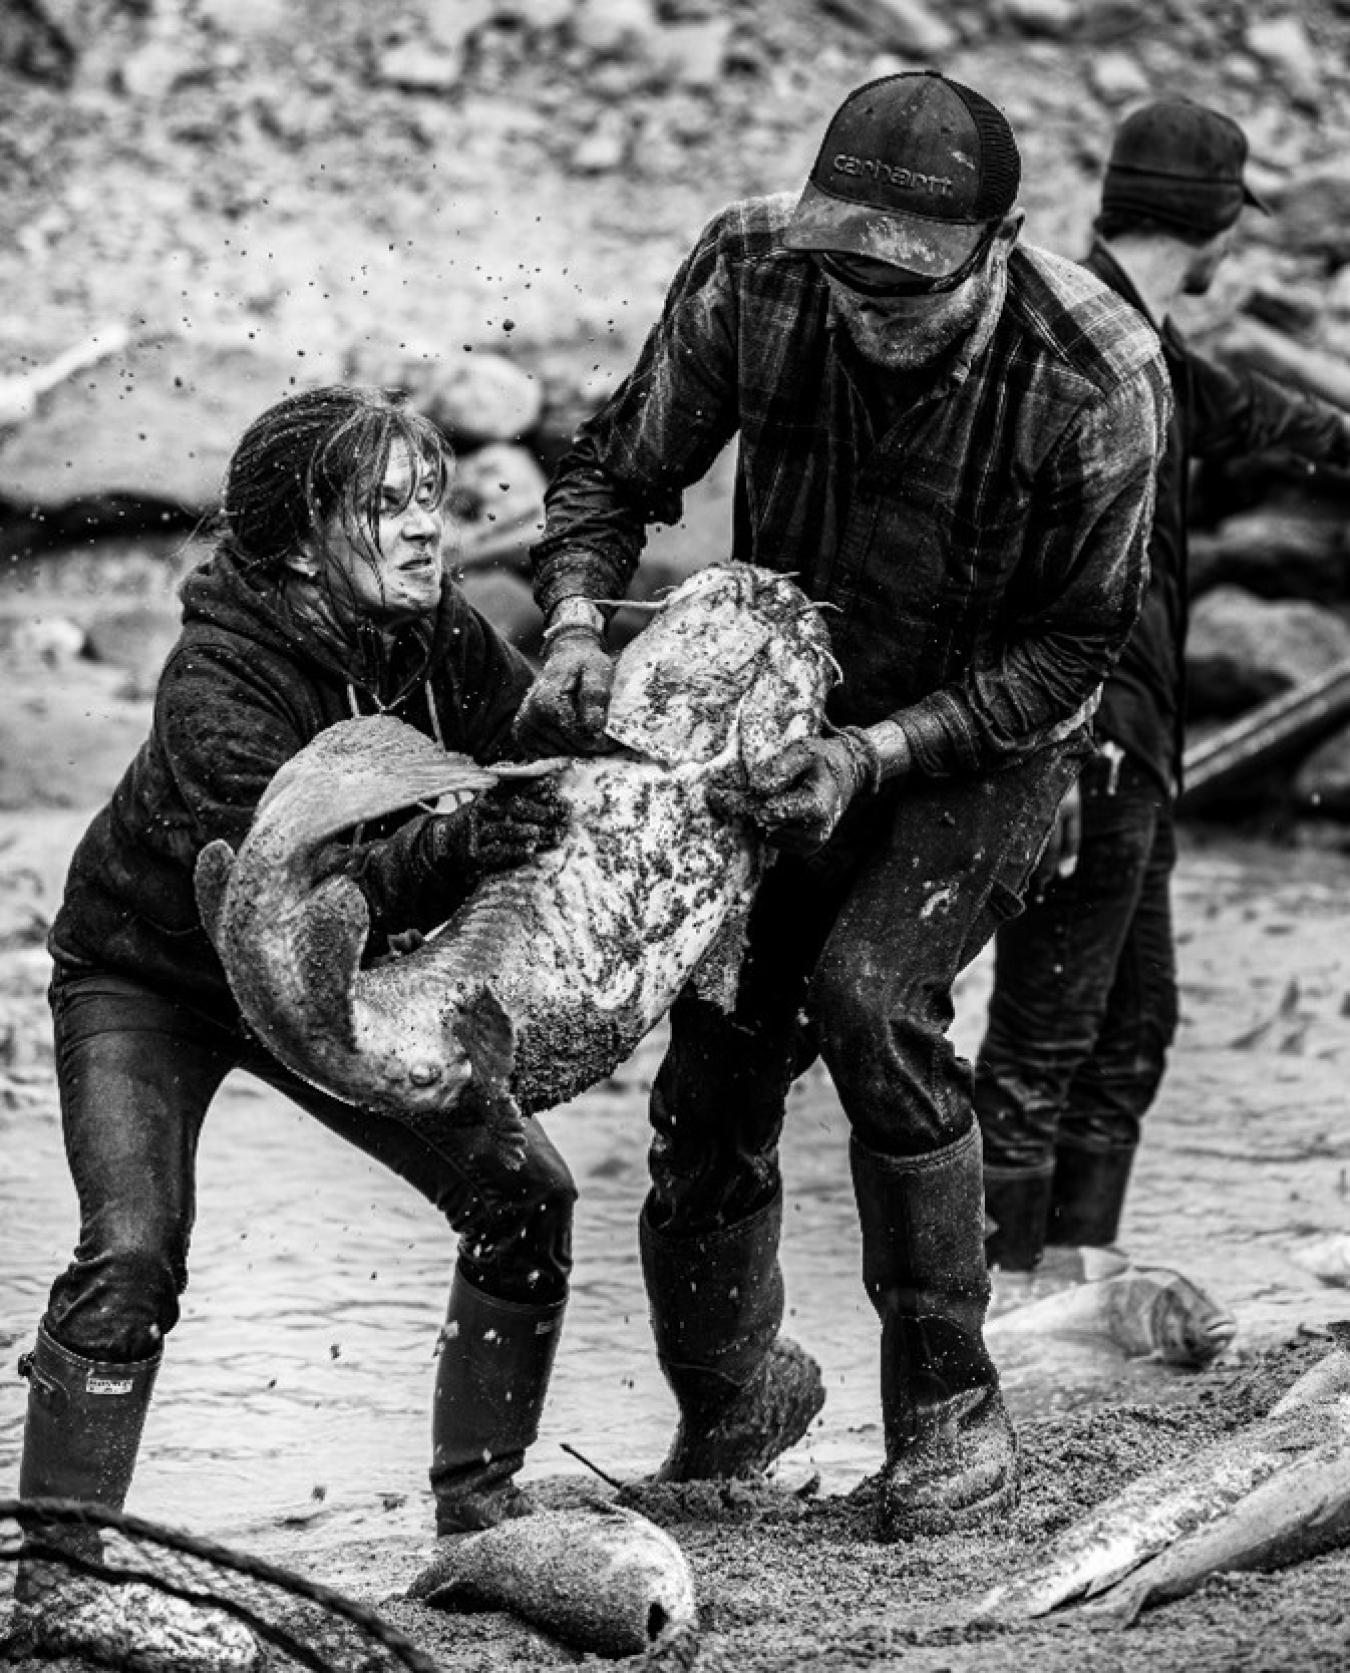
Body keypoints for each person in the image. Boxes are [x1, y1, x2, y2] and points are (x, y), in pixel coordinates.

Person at [512, 70, 1172, 1541]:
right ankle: (733, 1400)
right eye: (845, 270)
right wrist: (570, 624)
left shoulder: (1098, 375)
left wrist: (874, 757)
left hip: (985, 739)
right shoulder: (755, 268)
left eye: (907, 287)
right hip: (778, 714)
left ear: (999, 245)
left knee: (873, 1002)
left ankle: (948, 1415)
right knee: (713, 1063)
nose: (867, 306)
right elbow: (612, 474)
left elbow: (1074, 650)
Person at [8, 385, 571, 1663]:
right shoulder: (217, 678)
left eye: (433, 501)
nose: (431, 531)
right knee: (136, 1252)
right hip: (153, 975)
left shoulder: (432, 631)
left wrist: (612, 687)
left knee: (525, 1188)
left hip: (331, 993)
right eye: (388, 507)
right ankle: (56, 1572)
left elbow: (533, 733)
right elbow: (309, 895)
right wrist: (464, 840)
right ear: (302, 537)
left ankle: (477, 1519)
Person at [974, 98, 1350, 1289]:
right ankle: (987, 1318)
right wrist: (1061, 747)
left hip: (1129, 742)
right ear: (1219, 224)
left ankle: (1072, 1278)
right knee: (1042, 1042)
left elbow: (1244, 411)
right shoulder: (1085, 340)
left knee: (1128, 1032)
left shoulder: (1123, 329)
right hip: (1087, 737)